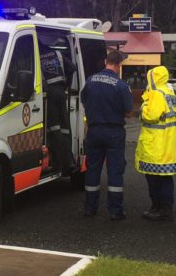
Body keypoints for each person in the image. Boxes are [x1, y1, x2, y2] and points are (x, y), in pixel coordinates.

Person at [80, 48, 132, 220]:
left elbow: (84, 101)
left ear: (105, 62)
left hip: (94, 131)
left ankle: (90, 208)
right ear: (118, 65)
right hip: (114, 131)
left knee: (92, 169)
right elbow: (128, 112)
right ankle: (115, 211)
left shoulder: (90, 80)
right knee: (115, 171)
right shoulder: (121, 86)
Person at [135, 66, 176, 221]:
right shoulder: (168, 92)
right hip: (167, 143)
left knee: (154, 179)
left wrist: (143, 106)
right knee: (165, 178)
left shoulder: (156, 93)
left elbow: (151, 115)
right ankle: (164, 208)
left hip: (156, 143)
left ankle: (159, 209)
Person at [40, 41, 75, 172]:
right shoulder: (57, 53)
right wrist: (66, 85)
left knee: (54, 129)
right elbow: (72, 67)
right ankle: (69, 160)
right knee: (65, 128)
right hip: (61, 92)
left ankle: (59, 162)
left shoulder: (37, 56)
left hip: (49, 94)